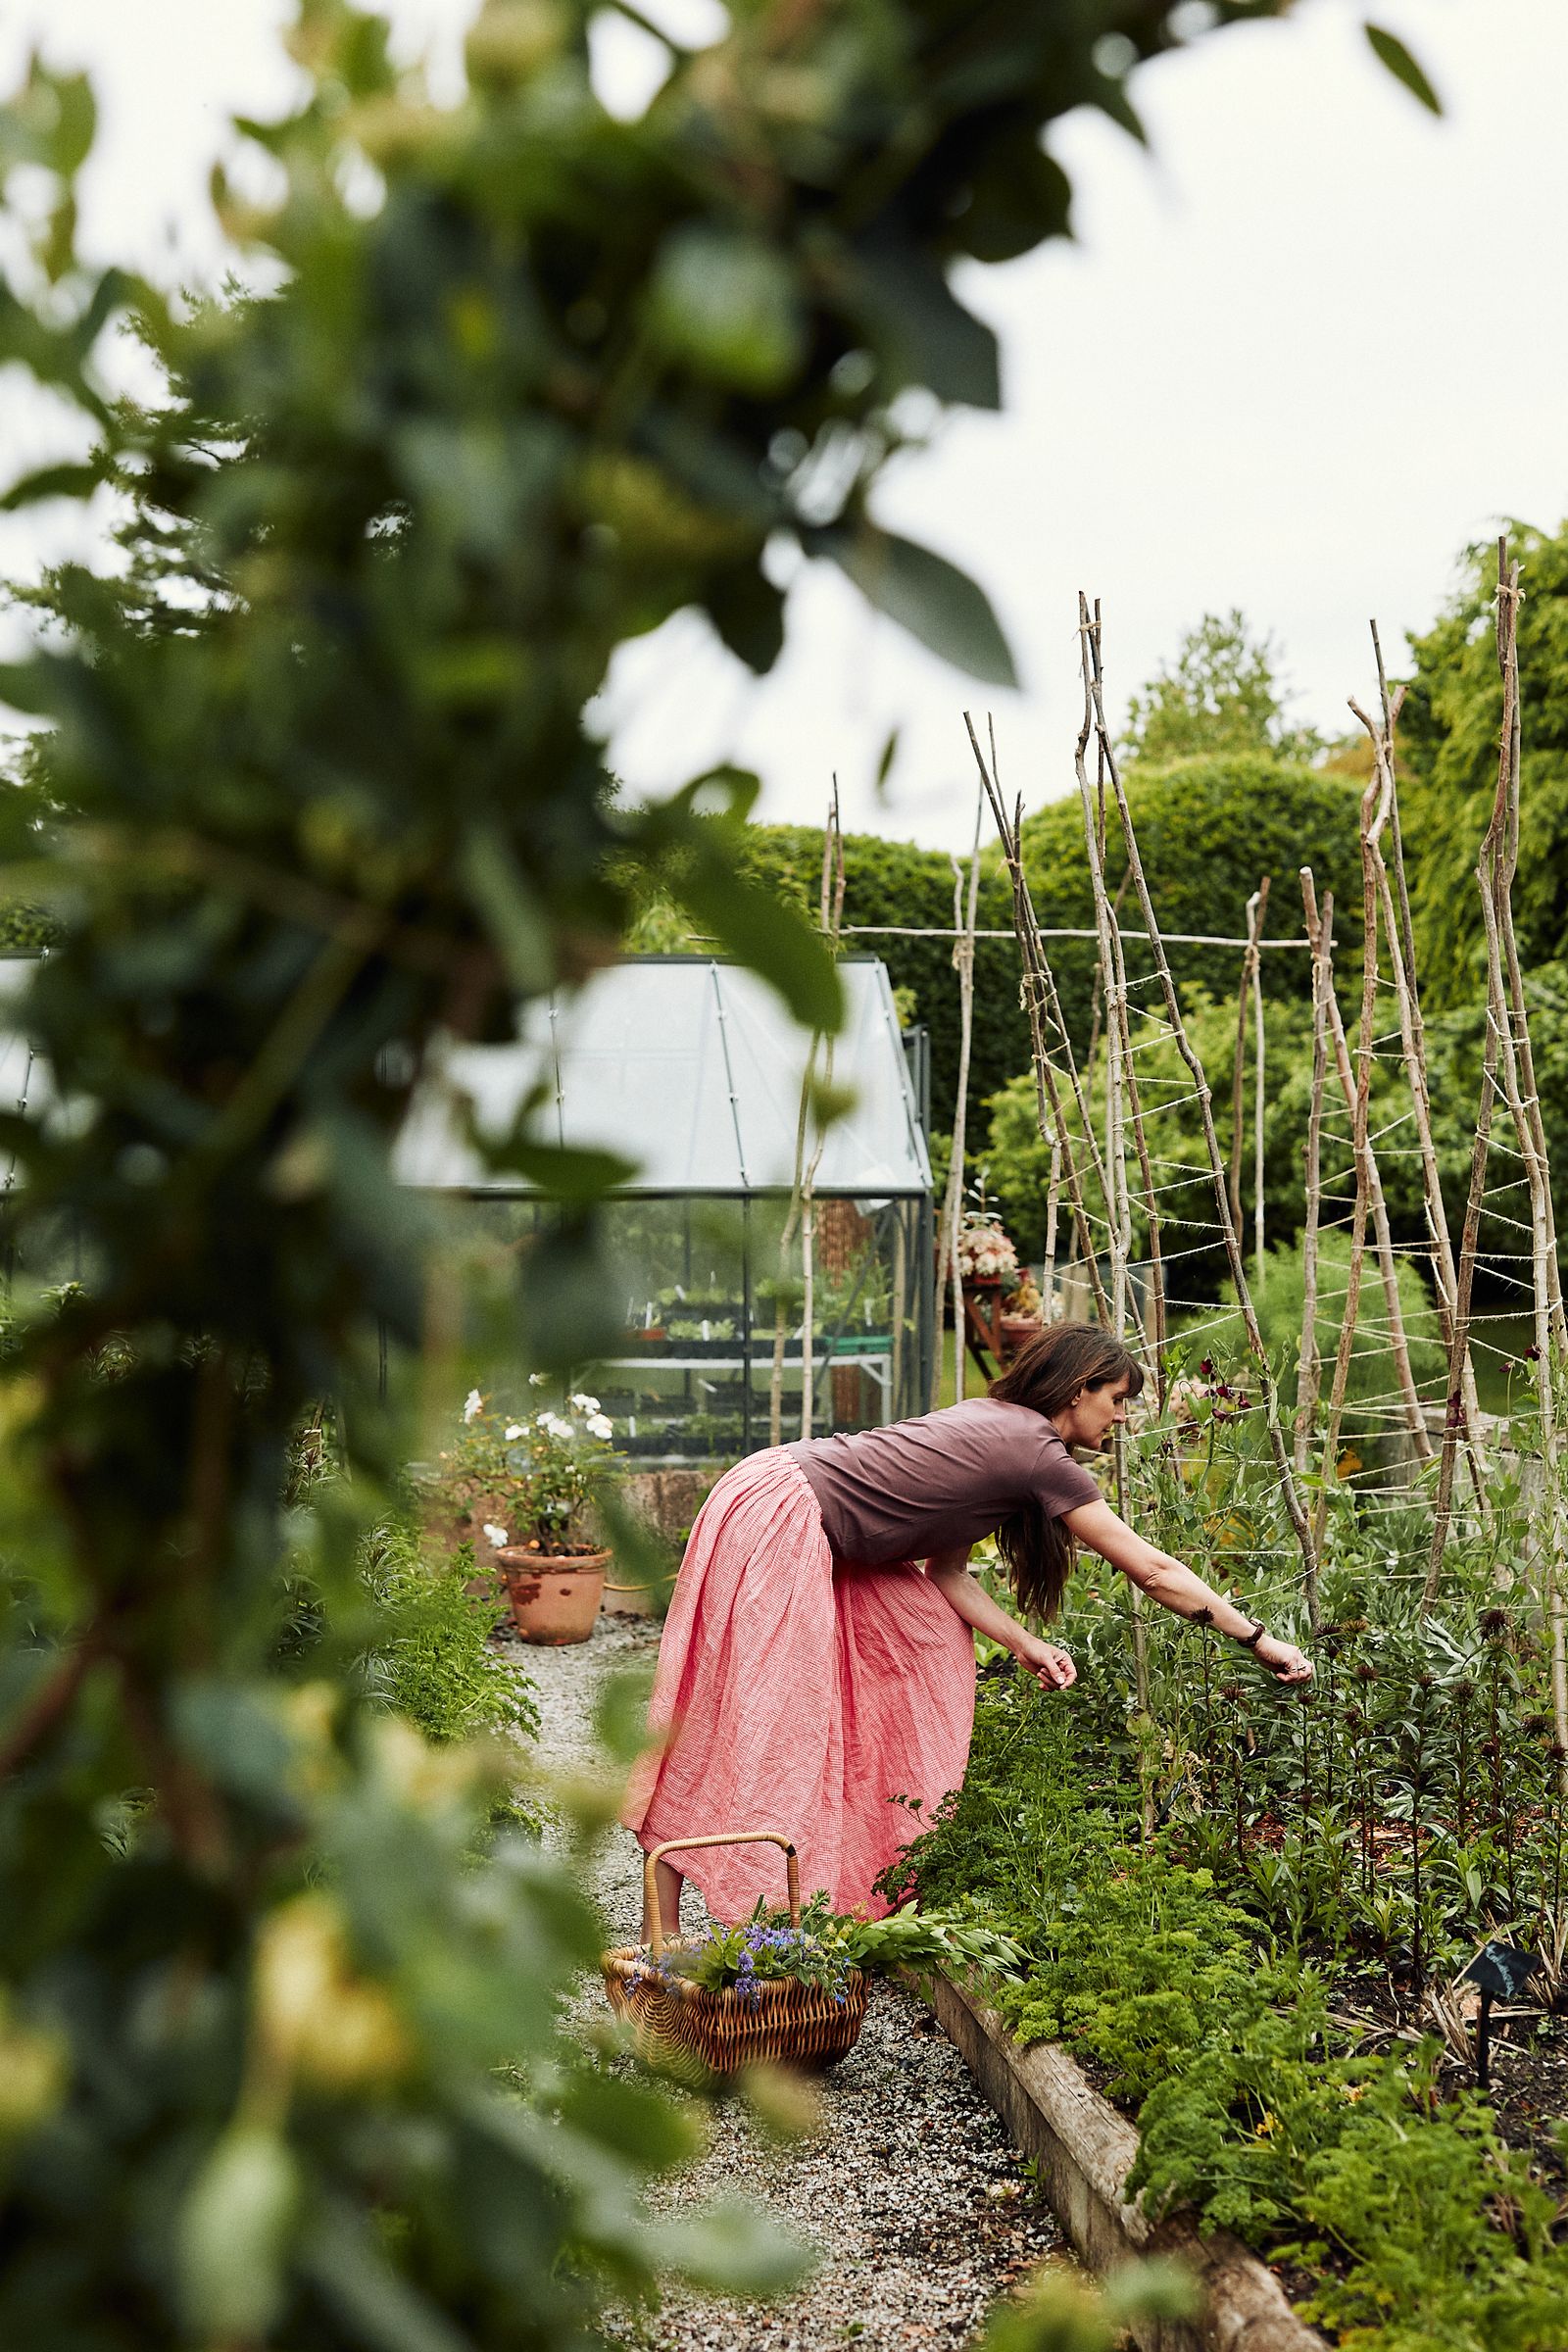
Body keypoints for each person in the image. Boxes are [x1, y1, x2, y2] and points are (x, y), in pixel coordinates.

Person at [622, 1321, 1311, 1938]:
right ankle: (669, 1938)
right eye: (1118, 1399)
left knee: (922, 1636)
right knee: (753, 1722)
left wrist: (1025, 1644)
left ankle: (839, 1880)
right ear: (1079, 1390)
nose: (1124, 1417)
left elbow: (947, 1574)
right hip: (785, 1514)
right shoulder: (1035, 1451)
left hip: (798, 1510)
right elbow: (1153, 1571)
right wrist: (1258, 1640)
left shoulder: (1005, 1430)